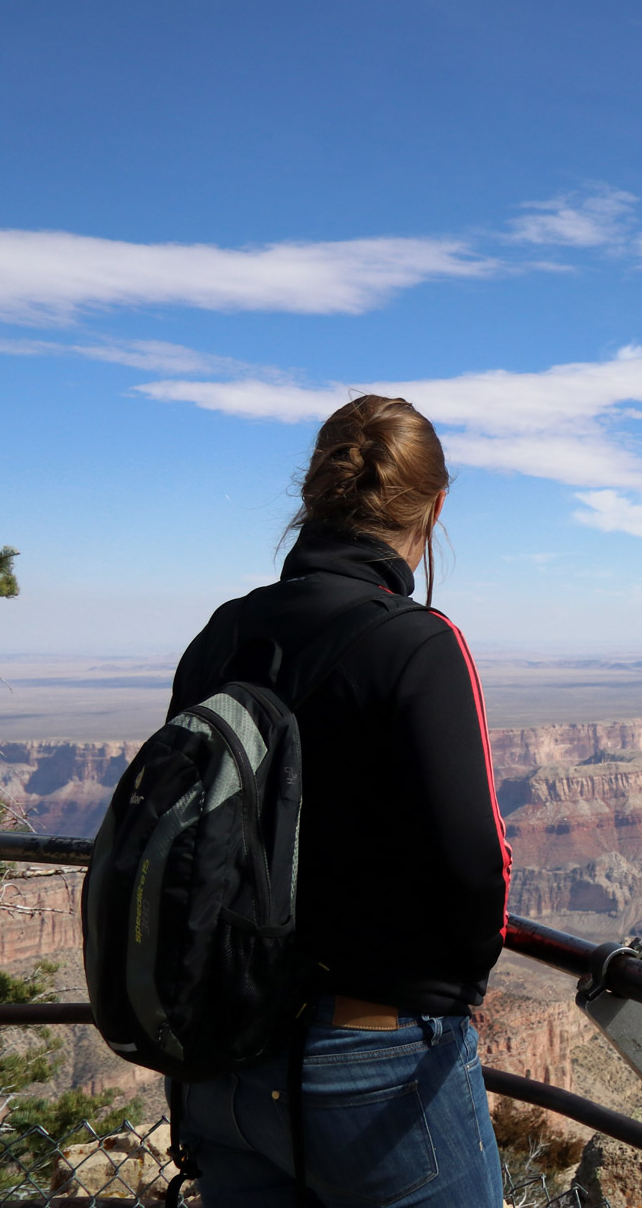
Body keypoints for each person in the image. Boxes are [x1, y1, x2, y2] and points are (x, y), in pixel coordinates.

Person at [164, 394, 511, 1207]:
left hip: (223, 1054)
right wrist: (447, 995)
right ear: (437, 505)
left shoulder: (222, 633)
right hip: (373, 1062)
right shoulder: (418, 643)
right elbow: (475, 869)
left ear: (312, 497)